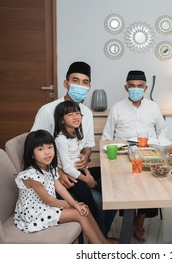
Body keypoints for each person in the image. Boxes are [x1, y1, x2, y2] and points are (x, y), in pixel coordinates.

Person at [31, 61, 115, 236]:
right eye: (75, 80)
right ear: (65, 83)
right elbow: (34, 148)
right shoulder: (48, 111)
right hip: (54, 175)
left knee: (114, 188)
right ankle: (99, 239)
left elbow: (87, 146)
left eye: (85, 82)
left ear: (89, 86)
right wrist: (59, 173)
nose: (80, 86)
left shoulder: (87, 113)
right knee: (98, 200)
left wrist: (85, 156)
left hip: (77, 168)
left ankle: (101, 233)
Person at [13, 130, 117, 244]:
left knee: (84, 208)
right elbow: (49, 200)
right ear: (32, 154)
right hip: (35, 213)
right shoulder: (31, 175)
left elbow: (60, 188)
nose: (47, 152)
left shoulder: (50, 168)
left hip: (46, 206)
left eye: (50, 147)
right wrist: (72, 205)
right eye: (40, 149)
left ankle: (103, 242)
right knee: (80, 213)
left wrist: (75, 204)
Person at [101, 70, 168, 242]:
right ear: (126, 87)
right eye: (132, 86)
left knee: (151, 181)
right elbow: (107, 136)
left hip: (149, 151)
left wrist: (158, 146)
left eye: (139, 86)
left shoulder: (153, 107)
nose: (136, 89)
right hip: (124, 152)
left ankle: (140, 220)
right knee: (124, 182)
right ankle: (129, 219)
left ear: (145, 88)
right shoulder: (117, 108)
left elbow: (163, 131)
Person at [53, 100, 116, 236]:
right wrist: (87, 180)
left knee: (107, 174)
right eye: (70, 115)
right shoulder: (61, 139)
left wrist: (88, 173)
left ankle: (104, 229)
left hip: (79, 171)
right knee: (92, 205)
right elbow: (68, 168)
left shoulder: (75, 134)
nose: (76, 117)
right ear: (61, 120)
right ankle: (100, 236)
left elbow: (79, 157)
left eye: (77, 114)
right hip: (70, 176)